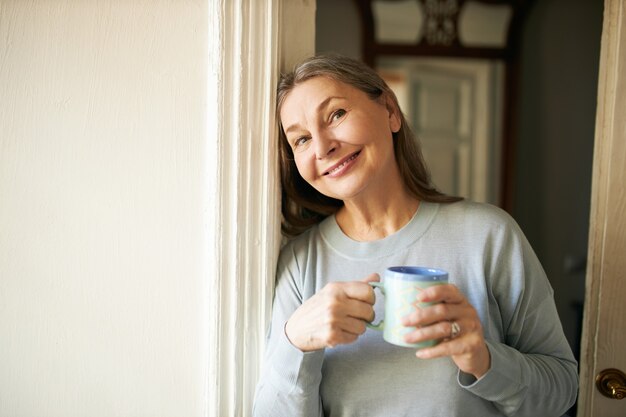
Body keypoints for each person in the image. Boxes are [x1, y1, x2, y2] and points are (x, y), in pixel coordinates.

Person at [253, 53, 578, 417]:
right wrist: (295, 342)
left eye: (336, 115)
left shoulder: (490, 235)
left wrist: (484, 360)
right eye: (300, 139)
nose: (323, 146)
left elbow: (563, 388)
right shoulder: (300, 262)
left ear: (390, 110)